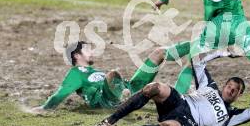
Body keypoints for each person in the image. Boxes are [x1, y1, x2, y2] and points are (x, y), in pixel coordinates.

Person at [88, 50, 250, 126]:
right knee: (154, 88)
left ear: (239, 95)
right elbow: (197, 59)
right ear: (224, 85)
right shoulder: (210, 86)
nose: (230, 90)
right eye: (229, 86)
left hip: (189, 122)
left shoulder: (232, 116)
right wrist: (223, 53)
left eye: (235, 90)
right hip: (180, 101)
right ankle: (107, 122)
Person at [30, 41, 163, 113]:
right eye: (87, 50)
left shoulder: (94, 70)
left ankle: (128, 95)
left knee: (157, 54)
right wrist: (45, 107)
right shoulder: (76, 72)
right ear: (77, 56)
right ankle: (125, 98)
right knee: (112, 75)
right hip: (106, 100)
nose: (92, 52)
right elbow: (61, 93)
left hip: (124, 88)